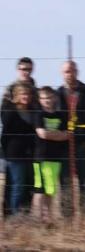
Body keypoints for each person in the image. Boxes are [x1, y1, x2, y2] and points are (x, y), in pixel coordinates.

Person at [56, 60, 85, 216]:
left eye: (72, 70)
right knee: (66, 182)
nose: (70, 74)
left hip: (84, 144)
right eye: (66, 71)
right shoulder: (58, 94)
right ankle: (67, 218)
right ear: (62, 74)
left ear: (77, 72)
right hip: (64, 145)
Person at [32, 86, 70, 222]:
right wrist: (58, 135)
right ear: (39, 100)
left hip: (55, 159)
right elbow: (42, 133)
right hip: (40, 158)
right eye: (43, 98)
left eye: (49, 97)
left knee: (50, 190)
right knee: (39, 190)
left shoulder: (61, 116)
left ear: (54, 98)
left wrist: (52, 135)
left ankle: (48, 218)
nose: (46, 100)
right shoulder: (38, 115)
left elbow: (68, 135)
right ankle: (37, 218)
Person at [1, 82, 36, 216]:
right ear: (16, 95)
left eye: (28, 94)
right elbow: (5, 135)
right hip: (14, 155)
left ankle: (25, 214)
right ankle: (15, 216)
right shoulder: (10, 111)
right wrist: (8, 153)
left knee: (28, 186)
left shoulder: (32, 111)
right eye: (23, 94)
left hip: (29, 154)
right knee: (17, 186)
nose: (26, 96)